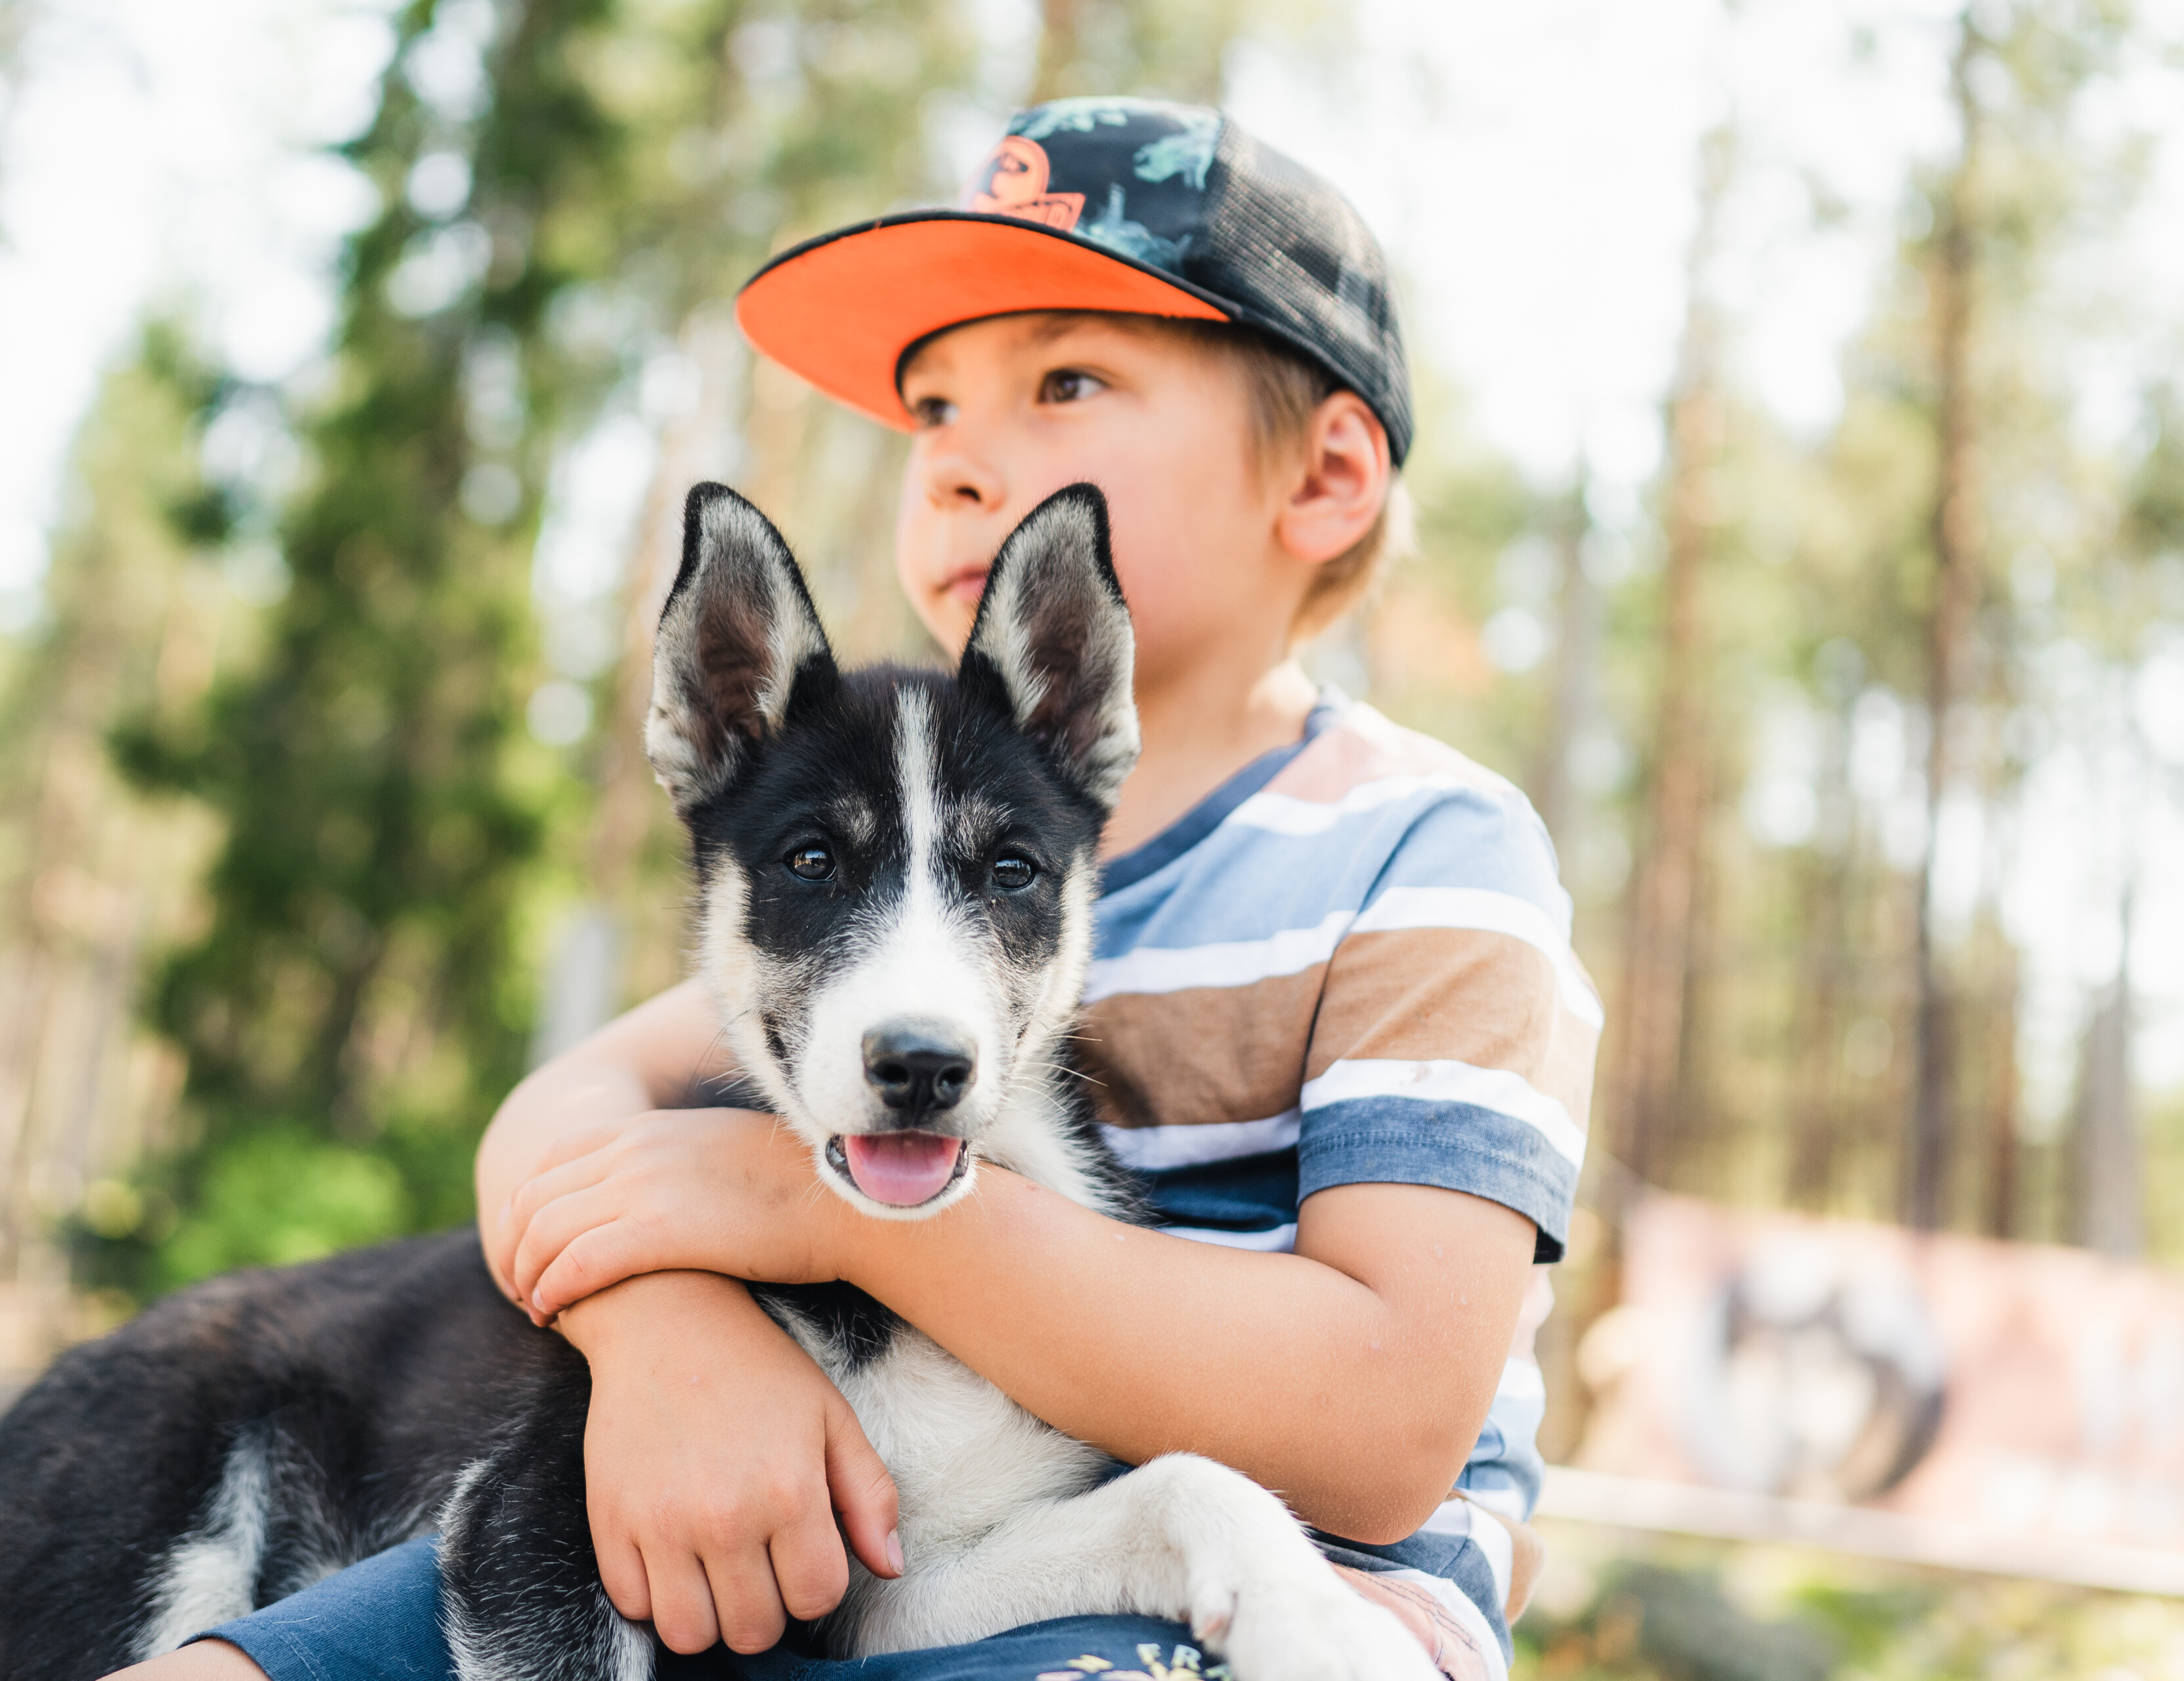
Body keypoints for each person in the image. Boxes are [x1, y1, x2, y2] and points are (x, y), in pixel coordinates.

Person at [118, 95, 1592, 1681]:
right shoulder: (880, 891)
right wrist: (665, 1336)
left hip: (1275, 1611)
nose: (960, 462)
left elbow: (1382, 1430)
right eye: (933, 409)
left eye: (1065, 379)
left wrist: (801, 1207)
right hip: (877, 1540)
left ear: (1324, 478)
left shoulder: (1430, 855)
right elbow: (556, 1134)